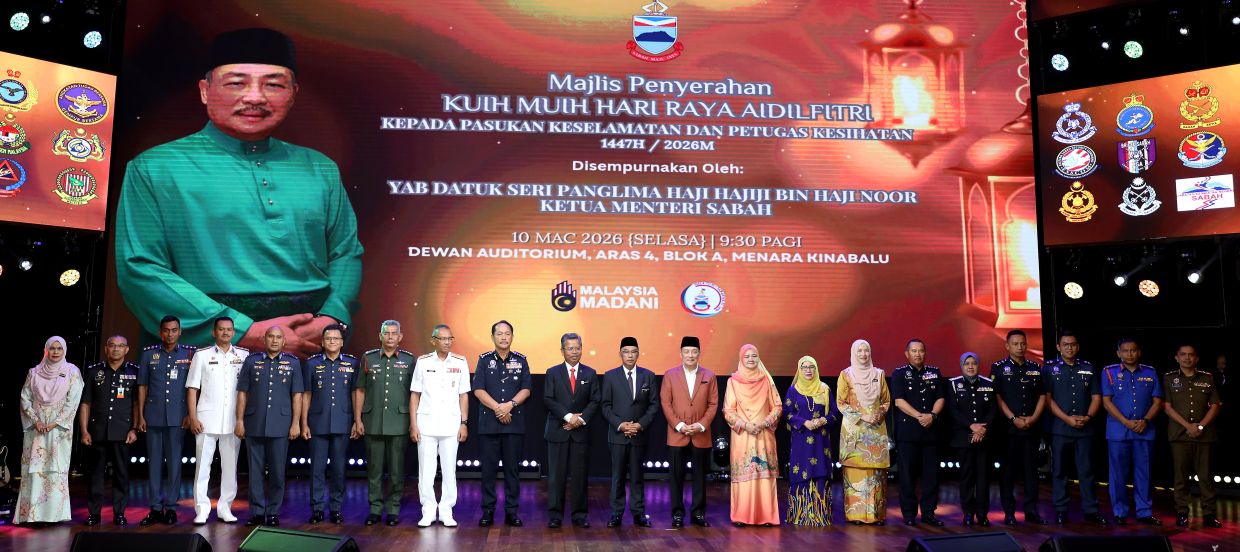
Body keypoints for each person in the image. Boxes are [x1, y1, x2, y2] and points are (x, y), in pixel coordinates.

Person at [114, 27, 363, 354]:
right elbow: (140, 269)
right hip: (202, 346)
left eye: (273, 84)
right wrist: (239, 331)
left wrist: (334, 317)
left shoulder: (320, 168)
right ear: (205, 90)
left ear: (293, 93)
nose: (256, 97)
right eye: (236, 82)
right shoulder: (155, 167)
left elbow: (346, 252)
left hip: (312, 341)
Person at [236, 325, 304, 527]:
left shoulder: (293, 363)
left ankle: (273, 512)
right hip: (254, 422)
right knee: (254, 471)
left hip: (281, 424)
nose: (274, 340)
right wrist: (239, 420)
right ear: (264, 340)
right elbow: (242, 393)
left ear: (284, 341)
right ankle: (257, 512)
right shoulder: (251, 361)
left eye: (278, 337)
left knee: (277, 472)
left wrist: (295, 423)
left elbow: (297, 395)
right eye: (271, 337)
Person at [186, 317, 248, 525]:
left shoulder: (243, 355)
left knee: (230, 467)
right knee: (202, 466)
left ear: (233, 332)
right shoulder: (201, 355)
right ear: (214, 332)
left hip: (233, 420)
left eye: (229, 330)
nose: (225, 333)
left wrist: (243, 419)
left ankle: (225, 507)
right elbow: (192, 388)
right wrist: (193, 417)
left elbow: (246, 391)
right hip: (206, 419)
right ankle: (202, 509)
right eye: (221, 329)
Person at [15, 337, 84, 525]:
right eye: (51, 348)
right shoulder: (34, 372)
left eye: (59, 349)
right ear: (46, 350)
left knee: (55, 469)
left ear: (64, 351)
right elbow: (25, 398)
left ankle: (53, 515)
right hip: (36, 429)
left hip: (59, 430)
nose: (55, 352)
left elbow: (73, 401)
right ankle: (32, 515)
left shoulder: (72, 372)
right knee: (34, 470)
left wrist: (55, 422)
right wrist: (35, 421)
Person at [136, 315, 196, 526]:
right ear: (160, 332)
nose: (170, 334)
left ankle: (171, 507)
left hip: (178, 417)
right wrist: (140, 415)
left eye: (174, 330)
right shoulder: (148, 354)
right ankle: (155, 508)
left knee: (174, 464)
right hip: (153, 415)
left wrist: (191, 414)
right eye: (166, 330)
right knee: (154, 464)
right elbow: (142, 386)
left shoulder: (190, 353)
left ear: (180, 332)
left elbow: (193, 388)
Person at [409, 324, 471, 528]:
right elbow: (415, 394)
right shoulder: (423, 361)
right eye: (442, 339)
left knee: (449, 470)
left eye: (449, 338)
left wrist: (463, 423)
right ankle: (428, 511)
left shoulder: (460, 362)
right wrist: (413, 424)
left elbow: (463, 396)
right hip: (426, 423)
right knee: (426, 471)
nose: (447, 342)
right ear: (433, 340)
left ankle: (446, 511)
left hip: (451, 424)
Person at [1042, 330, 1106, 526]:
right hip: (1060, 428)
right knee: (1060, 471)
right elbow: (1047, 399)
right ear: (1058, 347)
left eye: (1073, 344)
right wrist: (1067, 419)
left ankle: (1091, 510)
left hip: (1085, 429)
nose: (1070, 348)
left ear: (1077, 347)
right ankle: (1061, 510)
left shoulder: (1088, 367)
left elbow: (1097, 397)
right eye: (1065, 344)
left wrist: (1087, 417)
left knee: (1086, 471)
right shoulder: (1049, 368)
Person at [354, 320, 414, 526]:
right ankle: (375, 509)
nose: (390, 337)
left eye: (393, 333)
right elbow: (360, 390)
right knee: (374, 470)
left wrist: (414, 422)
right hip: (373, 422)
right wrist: (357, 419)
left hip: (400, 422)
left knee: (397, 471)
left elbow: (415, 394)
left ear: (400, 337)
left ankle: (394, 509)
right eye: (386, 333)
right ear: (380, 336)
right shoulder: (368, 358)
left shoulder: (409, 360)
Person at [473, 320, 532, 528]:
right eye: (500, 334)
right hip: (489, 424)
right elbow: (478, 389)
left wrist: (510, 405)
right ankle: (488, 511)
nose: (504, 337)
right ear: (493, 337)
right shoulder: (484, 360)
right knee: (488, 470)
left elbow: (527, 388)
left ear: (512, 337)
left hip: (513, 424)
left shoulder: (521, 360)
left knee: (512, 470)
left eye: (507, 334)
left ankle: (511, 512)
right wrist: (499, 408)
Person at [1101, 338, 1163, 526]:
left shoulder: (1150, 372)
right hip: (1119, 432)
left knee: (1144, 473)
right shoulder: (1109, 372)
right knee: (1118, 474)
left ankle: (1144, 512)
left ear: (1139, 352)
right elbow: (1106, 401)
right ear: (1118, 353)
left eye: (1133, 350)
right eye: (1125, 351)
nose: (1129, 354)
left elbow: (1158, 401)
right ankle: (1120, 512)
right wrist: (1125, 422)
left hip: (1144, 430)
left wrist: (1146, 420)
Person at [79, 335, 140, 526]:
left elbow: (138, 403)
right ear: (106, 349)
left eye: (120, 346)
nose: (116, 349)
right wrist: (84, 431)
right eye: (112, 345)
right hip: (97, 431)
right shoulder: (93, 371)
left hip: (123, 432)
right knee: (96, 475)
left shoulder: (134, 372)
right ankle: (94, 513)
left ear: (126, 350)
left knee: (121, 475)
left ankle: (119, 513)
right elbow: (86, 402)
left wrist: (135, 428)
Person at [302, 323, 359, 524]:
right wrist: (303, 422)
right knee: (317, 469)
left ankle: (336, 508)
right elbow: (306, 394)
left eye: (336, 339)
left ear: (342, 342)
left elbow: (355, 393)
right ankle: (317, 508)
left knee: (338, 469)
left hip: (343, 423)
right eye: (328, 339)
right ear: (322, 342)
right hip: (317, 422)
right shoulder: (311, 363)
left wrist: (356, 420)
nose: (332, 342)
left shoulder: (352, 363)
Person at [600, 336, 660, 528]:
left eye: (633, 352)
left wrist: (639, 425)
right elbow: (606, 406)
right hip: (617, 436)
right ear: (620, 354)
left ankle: (639, 514)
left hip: (639, 435)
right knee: (617, 476)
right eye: (626, 352)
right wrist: (621, 425)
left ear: (638, 354)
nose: (630, 355)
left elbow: (653, 405)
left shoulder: (648, 376)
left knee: (637, 476)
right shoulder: (610, 376)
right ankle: (616, 514)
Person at [990, 329, 1047, 525]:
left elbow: (1042, 396)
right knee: (1008, 472)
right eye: (1015, 343)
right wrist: (1014, 418)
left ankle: (1032, 511)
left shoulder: (1035, 367)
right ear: (1007, 346)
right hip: (1008, 429)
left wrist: (1033, 418)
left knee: (1032, 472)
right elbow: (997, 398)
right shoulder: (998, 368)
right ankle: (1009, 512)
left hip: (1031, 427)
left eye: (1023, 343)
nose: (1020, 347)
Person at [1162, 344, 1223, 529]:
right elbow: (1167, 406)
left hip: (1204, 436)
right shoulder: (1169, 379)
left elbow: (1216, 405)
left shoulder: (1207, 378)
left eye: (1191, 355)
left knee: (1205, 476)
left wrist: (1201, 425)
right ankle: (1182, 513)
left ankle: (1209, 514)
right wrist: (1188, 426)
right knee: (1181, 477)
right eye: (1183, 355)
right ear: (1177, 357)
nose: (1187, 358)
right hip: (1180, 435)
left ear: (1196, 358)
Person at [660, 336, 718, 528]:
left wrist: (701, 425)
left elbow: (713, 404)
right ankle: (677, 513)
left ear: (699, 353)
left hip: (700, 434)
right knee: (676, 476)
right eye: (687, 351)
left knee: (700, 476)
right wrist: (679, 425)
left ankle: (698, 514)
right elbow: (666, 403)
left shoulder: (709, 375)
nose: (690, 355)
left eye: (694, 351)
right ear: (681, 354)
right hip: (678, 434)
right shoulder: (670, 374)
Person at [543, 332, 599, 528]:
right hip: (558, 431)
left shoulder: (590, 373)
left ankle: (579, 515)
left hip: (580, 433)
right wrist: (568, 417)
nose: (574, 352)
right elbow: (548, 399)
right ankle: (555, 515)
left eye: (577, 348)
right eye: (570, 348)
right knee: (556, 476)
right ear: (562, 350)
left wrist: (579, 420)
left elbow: (595, 401)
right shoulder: (552, 372)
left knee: (580, 476)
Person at [723, 344, 782, 527]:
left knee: (764, 474)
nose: (751, 359)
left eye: (754, 356)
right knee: (745, 475)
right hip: (743, 436)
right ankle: (741, 516)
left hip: (764, 433)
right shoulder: (733, 382)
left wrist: (764, 423)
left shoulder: (767, 380)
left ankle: (767, 517)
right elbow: (728, 410)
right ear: (741, 359)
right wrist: (746, 425)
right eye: (747, 356)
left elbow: (777, 406)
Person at [891, 339, 946, 527]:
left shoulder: (935, 372)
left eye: (921, 350)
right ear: (907, 354)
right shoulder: (899, 374)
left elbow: (940, 398)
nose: (918, 354)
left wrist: (932, 415)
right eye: (914, 351)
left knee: (931, 476)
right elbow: (898, 401)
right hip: (908, 433)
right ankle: (908, 513)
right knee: (907, 475)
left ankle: (929, 513)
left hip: (931, 432)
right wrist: (919, 416)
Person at [837, 339, 891, 526]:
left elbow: (886, 400)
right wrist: (862, 417)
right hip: (855, 430)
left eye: (866, 350)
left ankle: (876, 515)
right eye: (859, 351)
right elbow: (841, 402)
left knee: (876, 472)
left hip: (875, 429)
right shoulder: (846, 375)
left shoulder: (879, 374)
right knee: (855, 470)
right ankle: (855, 514)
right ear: (853, 353)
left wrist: (879, 414)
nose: (863, 354)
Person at [785, 356, 840, 526]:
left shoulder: (824, 389)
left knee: (820, 470)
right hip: (801, 439)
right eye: (804, 367)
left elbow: (834, 412)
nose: (808, 370)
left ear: (816, 369)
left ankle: (820, 516)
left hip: (820, 440)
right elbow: (787, 413)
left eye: (812, 367)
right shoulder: (793, 390)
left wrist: (823, 420)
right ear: (799, 370)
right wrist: (804, 422)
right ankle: (800, 515)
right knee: (801, 471)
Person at [948, 352, 995, 527]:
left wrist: (982, 429)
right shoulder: (953, 384)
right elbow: (953, 411)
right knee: (966, 478)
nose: (970, 366)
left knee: (983, 478)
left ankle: (982, 514)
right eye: (966, 363)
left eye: (973, 363)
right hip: (963, 439)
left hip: (984, 438)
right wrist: (971, 426)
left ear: (978, 365)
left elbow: (992, 410)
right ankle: (968, 513)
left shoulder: (988, 384)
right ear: (961, 366)